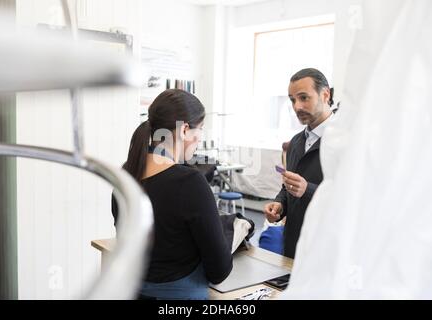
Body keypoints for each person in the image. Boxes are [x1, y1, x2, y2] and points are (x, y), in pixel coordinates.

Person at [111, 89, 252, 300]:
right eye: (200, 129)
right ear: (185, 130)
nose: (200, 137)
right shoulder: (189, 183)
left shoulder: (125, 176)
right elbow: (219, 271)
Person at [263, 68, 334, 259]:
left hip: (327, 248)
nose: (297, 107)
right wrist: (279, 205)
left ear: (325, 94)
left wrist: (307, 189)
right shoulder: (296, 142)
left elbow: (354, 196)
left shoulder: (346, 141)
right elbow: (289, 187)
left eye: (304, 98)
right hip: (293, 244)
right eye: (293, 100)